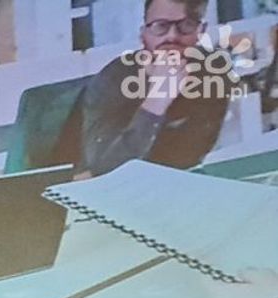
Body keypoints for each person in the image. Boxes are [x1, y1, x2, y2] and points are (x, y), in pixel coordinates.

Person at [79, 0, 229, 177]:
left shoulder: (213, 70)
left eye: (186, 25)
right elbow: (104, 169)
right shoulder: (112, 79)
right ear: (143, 34)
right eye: (160, 26)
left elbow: (192, 155)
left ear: (200, 31)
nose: (172, 36)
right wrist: (156, 101)